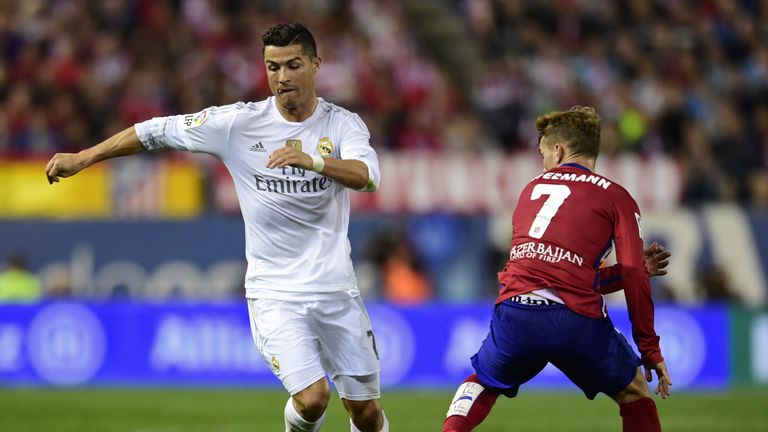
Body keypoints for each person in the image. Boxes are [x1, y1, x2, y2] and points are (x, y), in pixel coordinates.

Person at [45, 23, 388, 432]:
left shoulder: (342, 125)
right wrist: (83, 158)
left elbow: (368, 176)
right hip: (275, 293)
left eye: (293, 65)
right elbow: (153, 132)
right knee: (313, 398)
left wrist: (312, 161)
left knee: (366, 414)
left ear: (316, 65)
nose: (282, 77)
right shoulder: (237, 125)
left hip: (336, 290)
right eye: (272, 67)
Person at [442, 107, 672, 432]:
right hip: (575, 321)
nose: (544, 162)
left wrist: (623, 272)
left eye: (543, 153)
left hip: (517, 313)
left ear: (559, 150)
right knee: (633, 389)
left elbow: (552, 271)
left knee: (483, 381)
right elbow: (622, 274)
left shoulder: (530, 191)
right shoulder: (616, 196)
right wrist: (649, 347)